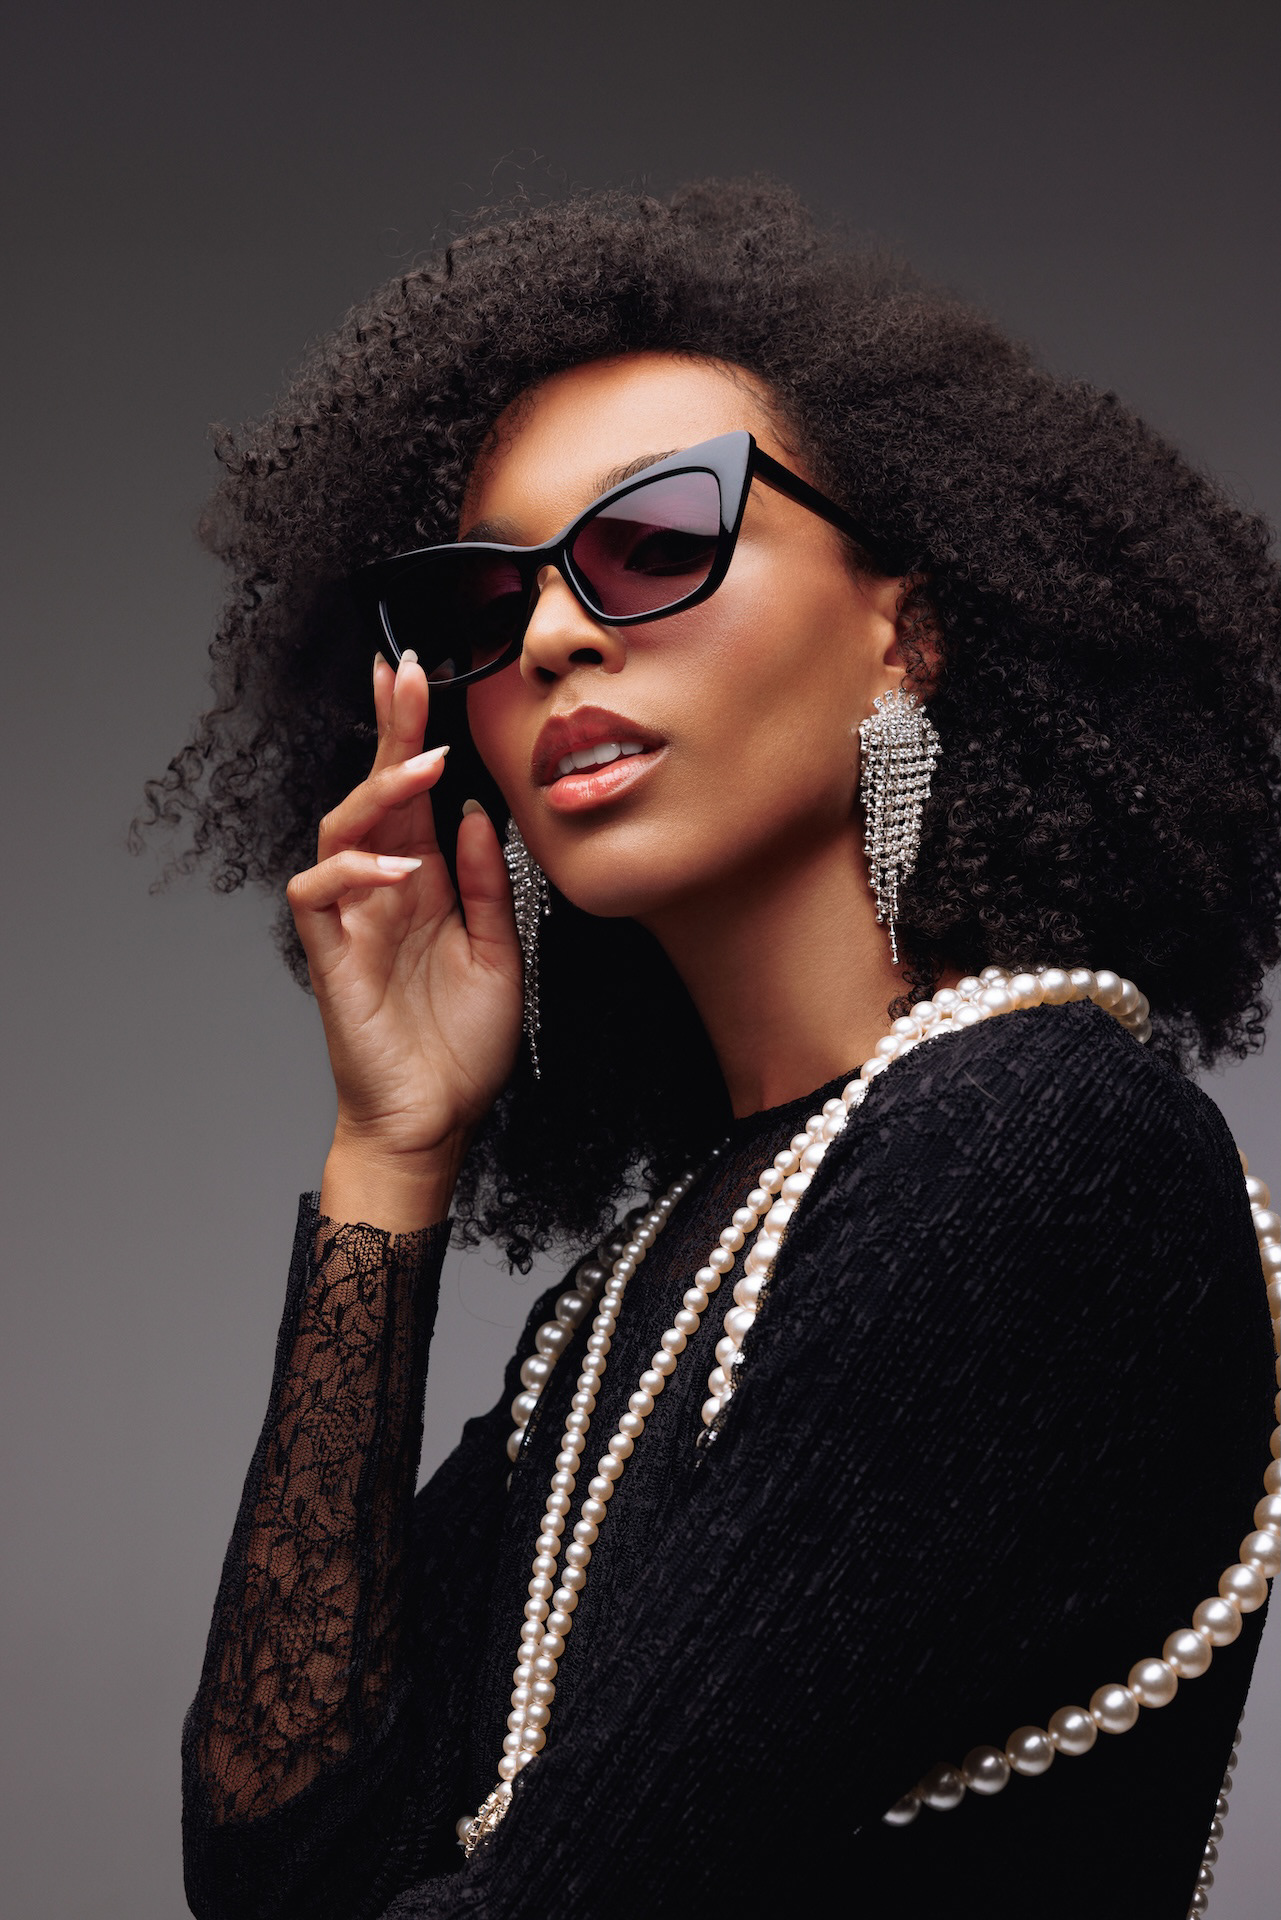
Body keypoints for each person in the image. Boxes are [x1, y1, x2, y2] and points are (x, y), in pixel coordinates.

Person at [143, 181, 1281, 1918]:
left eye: (659, 538)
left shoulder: (1037, 1151)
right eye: (483, 602)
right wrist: (390, 1156)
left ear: (905, 631)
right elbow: (274, 1868)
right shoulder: (636, 1298)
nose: (550, 635)